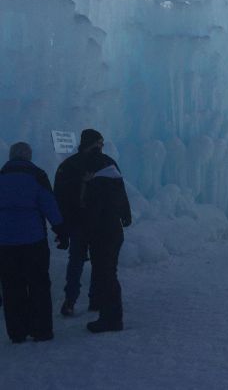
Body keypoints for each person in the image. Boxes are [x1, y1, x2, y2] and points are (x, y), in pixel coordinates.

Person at [0, 142, 68, 343]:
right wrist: (61, 230)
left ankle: (17, 332)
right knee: (39, 284)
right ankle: (41, 330)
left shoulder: (1, 176)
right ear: (28, 156)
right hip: (33, 240)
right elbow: (49, 205)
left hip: (5, 243)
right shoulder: (37, 175)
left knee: (12, 286)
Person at [80, 130, 132, 333]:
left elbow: (92, 209)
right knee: (108, 272)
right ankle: (107, 313)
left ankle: (111, 319)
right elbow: (122, 195)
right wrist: (126, 215)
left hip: (102, 233)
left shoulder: (96, 183)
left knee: (105, 274)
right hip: (114, 230)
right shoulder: (111, 173)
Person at [54, 129, 100, 316]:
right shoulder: (101, 163)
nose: (101, 146)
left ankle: (71, 300)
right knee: (97, 260)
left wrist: (61, 226)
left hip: (76, 220)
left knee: (76, 261)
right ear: (93, 143)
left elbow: (58, 196)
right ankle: (94, 299)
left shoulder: (67, 165)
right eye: (99, 142)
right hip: (95, 220)